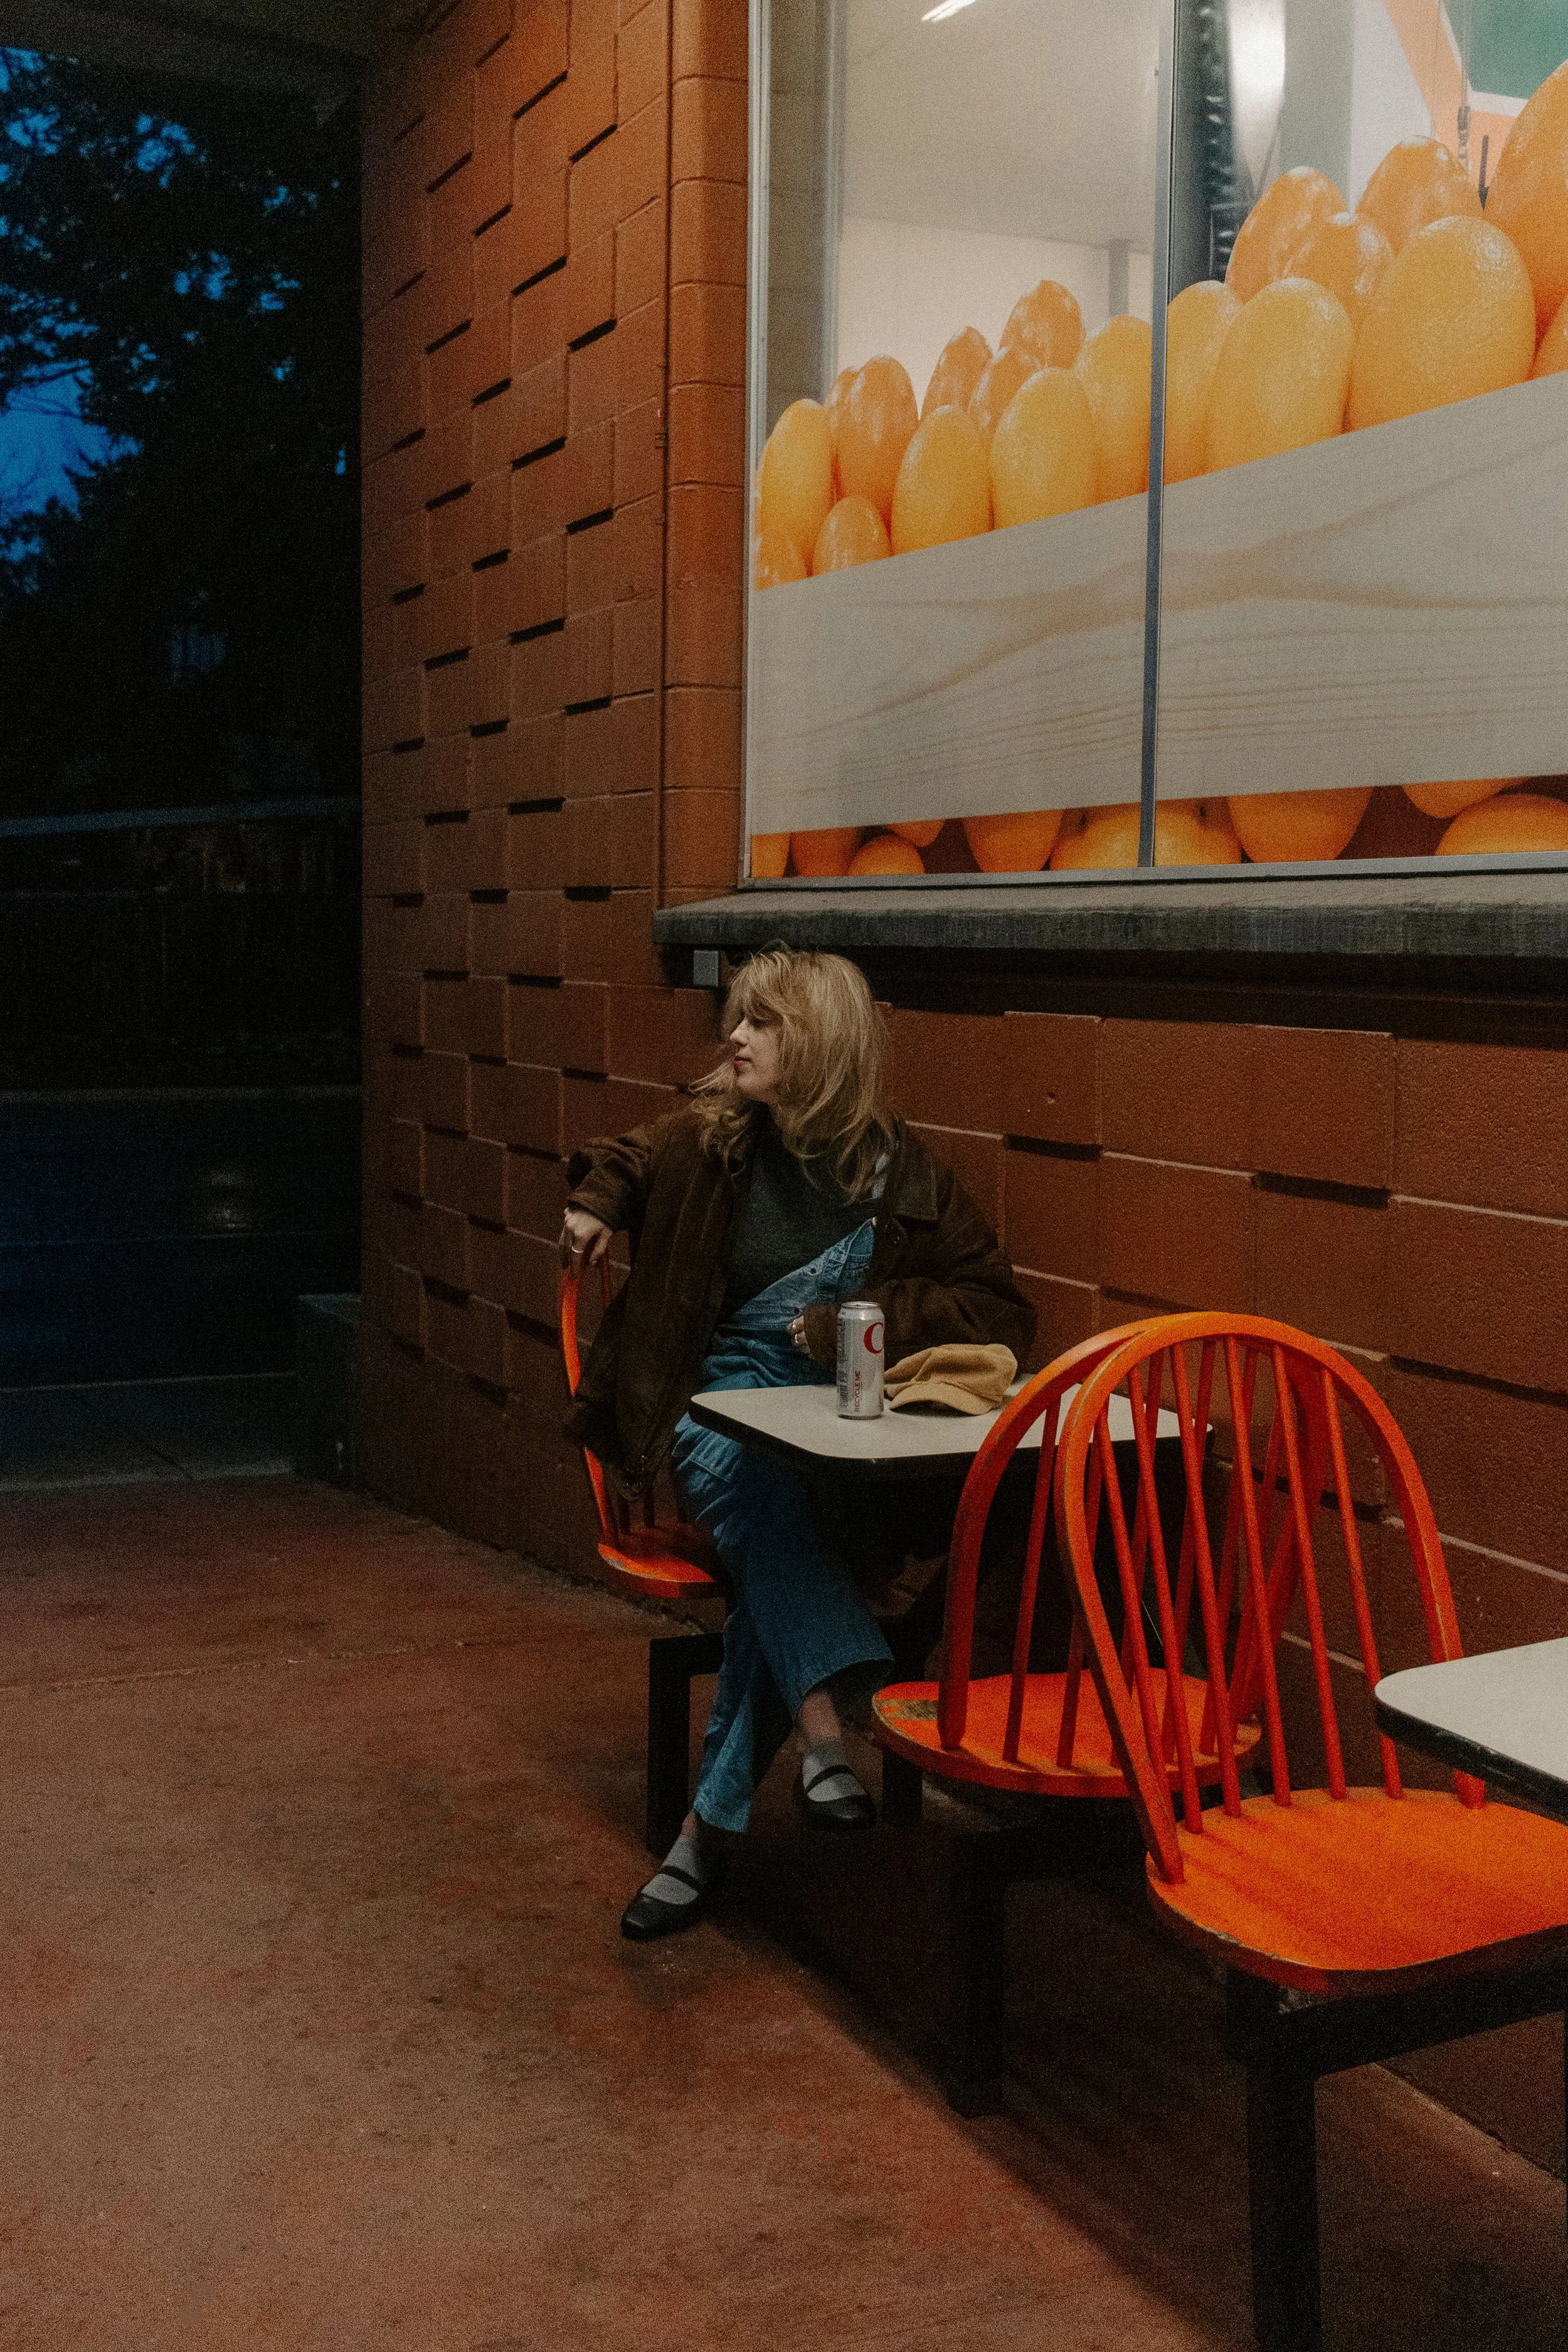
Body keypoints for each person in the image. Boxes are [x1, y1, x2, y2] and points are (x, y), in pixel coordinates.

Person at [559, 946, 1034, 1940]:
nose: (735, 1037)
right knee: (771, 1504)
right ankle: (836, 1717)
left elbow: (997, 1306)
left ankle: (703, 1837)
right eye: (740, 1018)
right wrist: (595, 1200)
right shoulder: (712, 1138)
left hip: (835, 1421)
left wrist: (855, 1315)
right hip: (711, 1399)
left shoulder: (900, 1172)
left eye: (762, 1023)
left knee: (777, 1575)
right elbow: (628, 1155)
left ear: (819, 1047)